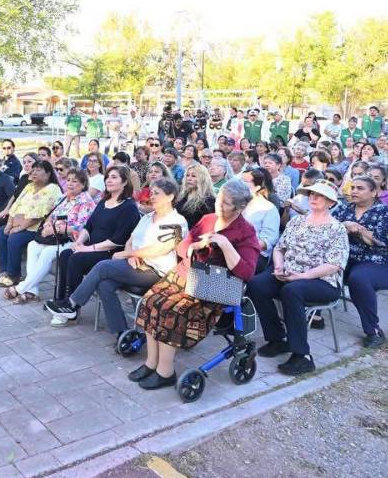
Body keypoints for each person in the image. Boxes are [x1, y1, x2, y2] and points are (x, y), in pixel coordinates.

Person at [128, 179, 260, 388]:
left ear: (240, 207)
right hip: (187, 274)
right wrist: (193, 245)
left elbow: (246, 272)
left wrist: (224, 244)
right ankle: (151, 363)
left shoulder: (246, 232)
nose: (219, 205)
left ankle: (165, 372)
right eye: (219, 199)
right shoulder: (208, 219)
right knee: (150, 301)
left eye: (225, 203)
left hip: (215, 285)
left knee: (171, 311)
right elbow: (183, 246)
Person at [45, 177, 187, 330]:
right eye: (151, 193)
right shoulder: (147, 217)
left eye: (156, 193)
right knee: (104, 284)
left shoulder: (177, 221)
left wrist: (128, 254)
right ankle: (122, 332)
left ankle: (72, 304)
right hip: (135, 264)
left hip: (157, 271)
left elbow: (161, 249)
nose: (151, 196)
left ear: (170, 196)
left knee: (103, 266)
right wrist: (131, 254)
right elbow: (130, 239)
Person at [246, 181, 349, 375]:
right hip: (289, 273)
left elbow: (333, 265)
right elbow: (279, 248)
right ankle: (277, 338)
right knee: (255, 284)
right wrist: (278, 266)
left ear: (331, 202)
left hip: (321, 281)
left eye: (319, 195)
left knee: (292, 291)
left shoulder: (336, 229)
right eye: (311, 194)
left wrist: (302, 276)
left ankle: (302, 355)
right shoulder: (297, 221)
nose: (313, 197)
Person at [45, 166, 140, 319]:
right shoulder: (104, 201)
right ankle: (61, 300)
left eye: (114, 177)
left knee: (76, 259)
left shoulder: (129, 207)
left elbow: (118, 240)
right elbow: (89, 226)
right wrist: (79, 243)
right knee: (65, 254)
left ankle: (72, 307)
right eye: (108, 176)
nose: (109, 179)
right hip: (91, 247)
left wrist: (87, 249)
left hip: (109, 253)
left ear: (124, 182)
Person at [333, 176, 388, 348]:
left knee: (359, 278)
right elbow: (327, 229)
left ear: (374, 192)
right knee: (317, 265)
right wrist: (344, 225)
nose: (354, 191)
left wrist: (359, 231)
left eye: (360, 188)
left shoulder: (385, 212)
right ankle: (314, 315)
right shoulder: (343, 210)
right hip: (353, 261)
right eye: (352, 187)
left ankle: (373, 331)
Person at [8, 169, 97, 303]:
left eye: (75, 181)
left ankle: (21, 288)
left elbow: (81, 228)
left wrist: (55, 229)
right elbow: (50, 215)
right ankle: (33, 291)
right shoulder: (63, 197)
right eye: (68, 180)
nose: (70, 184)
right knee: (33, 245)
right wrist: (48, 225)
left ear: (83, 185)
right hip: (53, 237)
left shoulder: (86, 202)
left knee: (47, 253)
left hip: (72, 240)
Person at [0, 160, 62, 285]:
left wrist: (19, 228)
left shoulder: (53, 189)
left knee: (14, 238)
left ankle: (14, 275)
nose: (34, 172)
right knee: (1, 232)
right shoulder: (29, 186)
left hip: (36, 228)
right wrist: (9, 225)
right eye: (33, 170)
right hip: (18, 224)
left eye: (39, 170)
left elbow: (39, 214)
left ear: (48, 174)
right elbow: (16, 206)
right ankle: (6, 270)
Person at [239, 166, 279, 268]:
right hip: (230, 248)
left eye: (244, 182)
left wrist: (242, 245)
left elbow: (268, 241)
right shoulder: (232, 203)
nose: (238, 184)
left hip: (255, 253)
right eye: (239, 180)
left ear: (257, 187)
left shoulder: (268, 208)